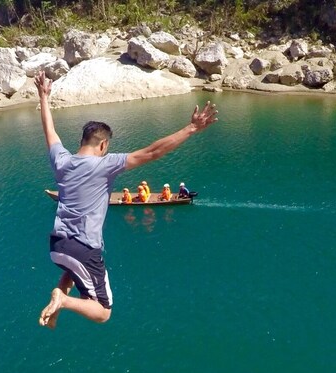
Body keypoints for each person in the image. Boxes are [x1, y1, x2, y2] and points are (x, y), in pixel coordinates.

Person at [35, 71, 217, 329]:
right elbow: (153, 152)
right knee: (102, 311)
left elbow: (50, 131)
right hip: (83, 247)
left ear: (82, 141)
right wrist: (191, 128)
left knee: (74, 272)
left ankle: (60, 298)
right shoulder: (105, 164)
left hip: (56, 246)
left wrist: (43, 97)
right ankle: (62, 300)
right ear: (103, 145)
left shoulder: (61, 161)